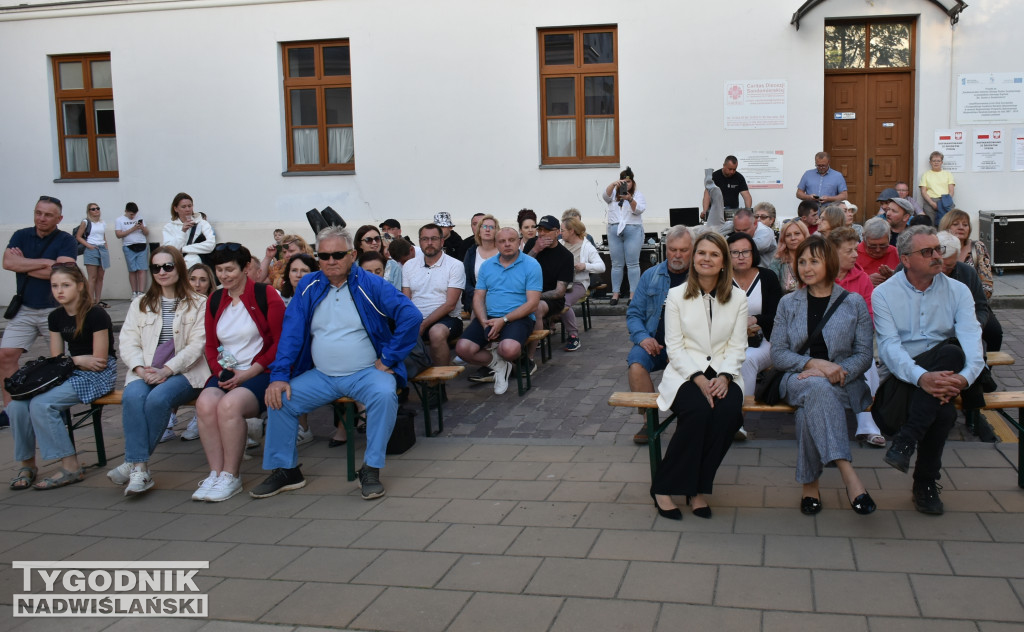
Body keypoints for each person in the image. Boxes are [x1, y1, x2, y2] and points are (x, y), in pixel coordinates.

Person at [251, 226, 421, 501]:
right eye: (324, 255)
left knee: (384, 394)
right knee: (279, 397)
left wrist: (389, 358)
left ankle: (371, 469)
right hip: (322, 375)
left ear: (352, 255)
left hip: (366, 372)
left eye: (338, 254)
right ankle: (287, 470)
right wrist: (279, 375)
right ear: (317, 257)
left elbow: (410, 316)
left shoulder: (371, 284)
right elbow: (291, 333)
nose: (331, 261)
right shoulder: (308, 285)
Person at [873, 226, 985, 515]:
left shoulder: (958, 291)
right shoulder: (884, 293)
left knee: (951, 354)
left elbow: (973, 343)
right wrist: (921, 377)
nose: (937, 256)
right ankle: (924, 483)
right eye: (928, 252)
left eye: (939, 249)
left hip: (945, 374)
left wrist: (963, 378)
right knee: (944, 405)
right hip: (902, 378)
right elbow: (890, 349)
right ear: (906, 260)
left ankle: (907, 442)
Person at [770, 236, 876, 516]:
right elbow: (778, 355)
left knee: (810, 409)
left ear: (829, 262)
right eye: (801, 261)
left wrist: (836, 372)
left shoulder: (853, 303)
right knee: (815, 386)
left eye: (813, 261)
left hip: (844, 382)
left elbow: (864, 355)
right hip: (796, 379)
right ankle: (848, 473)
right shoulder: (788, 303)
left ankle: (810, 486)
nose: (806, 267)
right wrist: (815, 364)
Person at [651, 232, 746, 521]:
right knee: (698, 411)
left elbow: (738, 345)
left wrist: (725, 376)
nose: (706, 258)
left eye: (714, 254)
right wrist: (698, 377)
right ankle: (663, 487)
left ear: (723, 262)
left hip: (724, 371)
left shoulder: (738, 297)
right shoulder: (676, 295)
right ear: (694, 259)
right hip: (685, 373)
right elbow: (675, 346)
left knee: (728, 414)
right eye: (702, 253)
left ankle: (696, 488)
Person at [107, 247, 210, 496]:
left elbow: (198, 345)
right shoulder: (140, 303)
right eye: (156, 267)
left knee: (158, 399)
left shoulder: (199, 303)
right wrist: (141, 369)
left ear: (179, 268)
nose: (162, 272)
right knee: (133, 397)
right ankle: (140, 468)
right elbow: (128, 341)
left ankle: (133, 463)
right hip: (146, 371)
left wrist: (167, 370)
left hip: (185, 372)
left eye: (168, 266)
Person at [8, 263, 116, 490]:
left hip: (99, 374)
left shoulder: (96, 314)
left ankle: (70, 466)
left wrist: (73, 362)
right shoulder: (56, 317)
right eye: (55, 285)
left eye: (65, 285)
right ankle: (28, 464)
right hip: (72, 369)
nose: (59, 291)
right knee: (17, 406)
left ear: (79, 286)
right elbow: (57, 360)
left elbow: (99, 361)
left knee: (42, 404)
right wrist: (76, 360)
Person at [193, 243, 285, 502]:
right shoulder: (214, 299)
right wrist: (220, 371)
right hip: (227, 371)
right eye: (220, 270)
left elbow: (280, 342)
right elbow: (210, 345)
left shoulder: (266, 294)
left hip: (259, 371)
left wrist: (249, 373)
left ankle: (231, 475)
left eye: (230, 269)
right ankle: (215, 472)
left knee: (229, 406)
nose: (224, 275)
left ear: (245, 268)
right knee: (205, 404)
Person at [1, 196, 79, 421]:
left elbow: (63, 272)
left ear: (59, 218)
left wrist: (24, 264)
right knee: (5, 355)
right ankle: (11, 410)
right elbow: (8, 263)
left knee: (59, 360)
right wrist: (46, 263)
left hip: (55, 309)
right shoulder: (21, 235)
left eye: (47, 215)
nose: (41, 218)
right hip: (24, 307)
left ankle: (59, 408)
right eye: (38, 213)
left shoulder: (66, 240)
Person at [626, 226, 693, 445]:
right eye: (672, 249)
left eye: (683, 250)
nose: (677, 255)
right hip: (655, 344)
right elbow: (634, 313)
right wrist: (643, 337)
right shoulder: (651, 275)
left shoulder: (701, 277)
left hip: (688, 347)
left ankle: (690, 423)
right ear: (666, 249)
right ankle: (649, 421)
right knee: (636, 364)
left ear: (692, 250)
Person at [455, 227, 541, 395]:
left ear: (519, 242)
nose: (507, 244)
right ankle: (498, 364)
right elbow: (478, 297)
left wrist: (504, 320)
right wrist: (484, 322)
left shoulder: (531, 265)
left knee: (508, 349)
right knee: (462, 348)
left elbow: (532, 304)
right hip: (490, 317)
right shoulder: (488, 266)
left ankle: (503, 360)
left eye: (511, 240)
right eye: (502, 241)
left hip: (519, 317)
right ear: (496, 244)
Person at [828, 227, 886, 448]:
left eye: (855, 250)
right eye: (849, 251)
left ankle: (867, 425)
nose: (855, 255)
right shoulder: (818, 275)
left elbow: (870, 316)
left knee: (868, 364)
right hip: (822, 346)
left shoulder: (862, 279)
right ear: (833, 252)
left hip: (853, 344)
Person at [727, 232, 781, 442]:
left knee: (747, 359)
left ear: (753, 253)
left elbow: (776, 315)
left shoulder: (767, 277)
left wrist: (755, 320)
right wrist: (741, 322)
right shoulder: (722, 278)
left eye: (745, 251)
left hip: (764, 342)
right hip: (728, 341)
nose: (741, 256)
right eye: (735, 252)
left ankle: (738, 422)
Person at [403, 223, 465, 368]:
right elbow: (406, 300)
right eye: (425, 239)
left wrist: (424, 324)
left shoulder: (455, 265)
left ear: (442, 241)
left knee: (436, 333)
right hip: (417, 318)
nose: (429, 243)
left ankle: (439, 382)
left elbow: (450, 304)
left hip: (448, 319)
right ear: (419, 241)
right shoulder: (409, 265)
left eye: (434, 239)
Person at [939, 209, 1000, 352]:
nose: (961, 227)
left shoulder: (977, 247)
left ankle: (985, 367)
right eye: (956, 224)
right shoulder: (937, 247)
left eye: (965, 225)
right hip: (944, 303)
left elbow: (987, 283)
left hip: (974, 301)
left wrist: (969, 302)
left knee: (994, 331)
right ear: (946, 226)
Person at [523, 215, 574, 372]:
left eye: (547, 230)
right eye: (540, 230)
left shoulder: (565, 256)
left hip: (550, 298)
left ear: (557, 232)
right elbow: (519, 269)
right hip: (526, 293)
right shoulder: (532, 244)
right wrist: (536, 250)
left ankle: (530, 359)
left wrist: (535, 297)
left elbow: (559, 292)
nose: (542, 234)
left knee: (535, 307)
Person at [559, 217, 605, 352]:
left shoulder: (587, 246)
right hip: (560, 282)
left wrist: (584, 266)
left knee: (563, 303)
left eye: (562, 230)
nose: (560, 233)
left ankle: (573, 336)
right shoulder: (560, 244)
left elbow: (601, 267)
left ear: (571, 231)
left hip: (578, 283)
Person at [602, 166, 647, 305]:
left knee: (633, 263)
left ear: (632, 182)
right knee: (616, 264)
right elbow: (605, 196)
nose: (626, 184)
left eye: (628, 181)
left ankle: (633, 294)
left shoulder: (637, 194)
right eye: (623, 181)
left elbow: (639, 209)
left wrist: (630, 199)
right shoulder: (614, 194)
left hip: (632, 229)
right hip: (614, 229)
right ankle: (615, 294)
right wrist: (613, 184)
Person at [161, 193, 215, 269]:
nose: (188, 209)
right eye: (183, 207)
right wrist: (182, 231)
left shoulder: (202, 223)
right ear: (175, 208)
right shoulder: (169, 227)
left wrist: (184, 249)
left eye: (190, 206)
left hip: (198, 267)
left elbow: (211, 245)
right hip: (178, 268)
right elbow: (169, 250)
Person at [76, 202, 110, 308]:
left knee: (100, 277)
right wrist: (89, 246)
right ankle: (90, 301)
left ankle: (98, 300)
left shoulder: (102, 223)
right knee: (93, 277)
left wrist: (106, 247)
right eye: (93, 209)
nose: (96, 210)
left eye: (97, 208)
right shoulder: (86, 222)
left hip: (102, 248)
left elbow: (103, 236)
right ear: (89, 211)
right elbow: (78, 236)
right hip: (91, 249)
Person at [116, 202, 150, 299]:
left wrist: (142, 227)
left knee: (142, 270)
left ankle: (141, 292)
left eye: (134, 214)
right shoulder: (119, 220)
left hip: (142, 245)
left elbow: (147, 233)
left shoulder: (140, 218)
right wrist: (133, 228)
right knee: (132, 270)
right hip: (128, 246)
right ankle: (134, 292)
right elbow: (118, 235)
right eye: (131, 214)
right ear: (126, 211)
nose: (133, 216)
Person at [768, 219, 809, 293]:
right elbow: (771, 290)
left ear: (805, 235)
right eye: (788, 235)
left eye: (797, 233)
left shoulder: (814, 259)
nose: (793, 238)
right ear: (783, 239)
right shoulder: (777, 262)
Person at [856, 217, 900, 286]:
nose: (878, 250)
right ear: (864, 239)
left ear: (889, 239)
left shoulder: (896, 253)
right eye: (872, 246)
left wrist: (895, 276)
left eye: (883, 246)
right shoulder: (853, 254)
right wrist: (865, 280)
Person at [919, 151, 955, 224]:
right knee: (930, 224)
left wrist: (944, 202)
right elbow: (923, 191)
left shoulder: (948, 174)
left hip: (945, 201)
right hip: (930, 201)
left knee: (945, 224)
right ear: (930, 162)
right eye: (934, 161)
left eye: (938, 161)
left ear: (942, 162)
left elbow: (951, 191)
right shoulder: (926, 175)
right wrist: (932, 203)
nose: (936, 162)